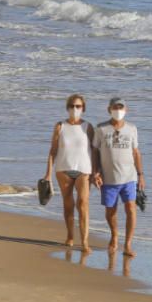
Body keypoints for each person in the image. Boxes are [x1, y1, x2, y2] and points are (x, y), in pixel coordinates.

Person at [92, 97, 144, 257]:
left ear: (126, 110)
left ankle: (128, 244)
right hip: (109, 178)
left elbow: (136, 152)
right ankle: (114, 235)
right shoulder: (101, 128)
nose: (118, 111)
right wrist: (96, 171)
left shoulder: (132, 128)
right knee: (110, 211)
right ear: (109, 110)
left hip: (129, 177)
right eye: (115, 108)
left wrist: (141, 174)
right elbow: (95, 151)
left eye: (121, 108)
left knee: (130, 208)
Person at [45, 94, 95, 251]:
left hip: (84, 170)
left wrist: (96, 172)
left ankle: (85, 242)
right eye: (72, 106)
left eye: (78, 106)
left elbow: (94, 151)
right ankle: (70, 236)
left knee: (83, 204)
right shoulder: (60, 126)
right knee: (68, 205)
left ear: (83, 108)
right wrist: (48, 174)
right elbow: (53, 150)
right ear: (67, 108)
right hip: (63, 169)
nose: (75, 109)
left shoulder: (88, 127)